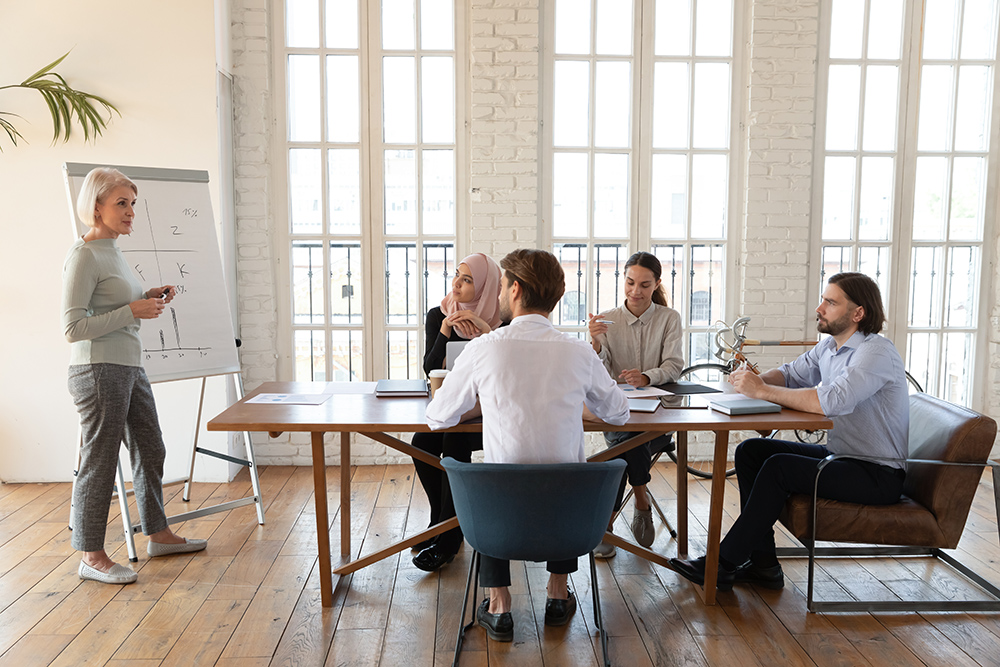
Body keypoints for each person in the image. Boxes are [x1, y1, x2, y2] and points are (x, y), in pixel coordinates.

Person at [426, 248, 630, 642]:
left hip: (500, 519)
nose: (500, 293)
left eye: (502, 286)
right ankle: (557, 593)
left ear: (515, 289)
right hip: (570, 521)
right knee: (563, 467)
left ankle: (499, 605)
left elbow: (439, 416)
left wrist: (486, 397)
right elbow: (619, 413)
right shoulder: (577, 351)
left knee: (497, 475)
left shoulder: (484, 348)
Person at [669, 272, 909, 591]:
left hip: (877, 474)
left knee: (779, 467)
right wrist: (750, 384)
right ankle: (763, 565)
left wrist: (762, 392)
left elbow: (832, 400)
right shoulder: (829, 348)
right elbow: (789, 374)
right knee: (751, 451)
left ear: (858, 313)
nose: (819, 308)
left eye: (830, 302)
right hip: (843, 457)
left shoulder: (875, 352)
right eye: (823, 299)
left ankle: (722, 563)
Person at [63, 168, 207, 585]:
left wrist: (144, 299)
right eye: (121, 203)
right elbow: (72, 328)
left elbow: (111, 307)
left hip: (127, 364)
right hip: (97, 368)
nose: (130, 211)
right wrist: (132, 312)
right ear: (96, 207)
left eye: (132, 203)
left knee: (151, 445)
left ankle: (157, 533)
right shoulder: (84, 255)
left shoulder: (114, 251)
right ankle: (90, 554)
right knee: (101, 459)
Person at [410, 253, 503, 572]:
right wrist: (446, 331)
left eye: (467, 279)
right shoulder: (439, 314)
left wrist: (484, 329)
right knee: (421, 443)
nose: (457, 284)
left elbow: (507, 369)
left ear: (486, 286)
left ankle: (447, 540)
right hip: (452, 407)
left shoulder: (502, 320)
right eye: (456, 276)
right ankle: (440, 521)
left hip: (490, 412)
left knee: (453, 444)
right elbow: (430, 368)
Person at [587, 251, 683, 556]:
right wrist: (597, 344)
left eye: (644, 284)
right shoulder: (607, 320)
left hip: (658, 419)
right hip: (618, 415)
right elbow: (598, 374)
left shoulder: (670, 319)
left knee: (621, 451)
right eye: (630, 283)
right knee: (629, 438)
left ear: (656, 284)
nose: (635, 291)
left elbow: (674, 365)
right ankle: (641, 499)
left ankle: (606, 524)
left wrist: (645, 376)